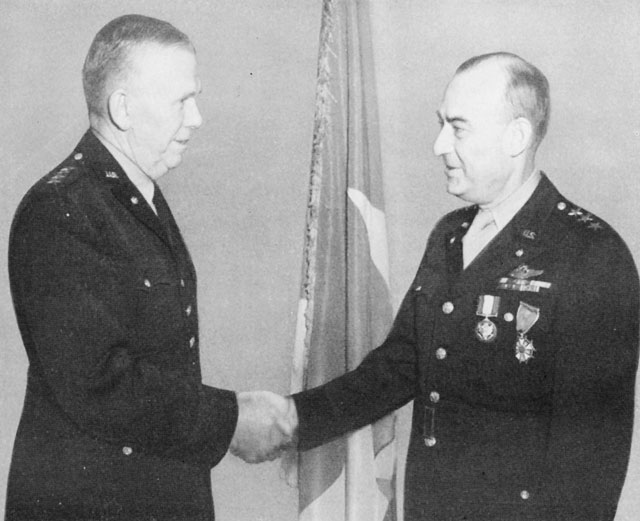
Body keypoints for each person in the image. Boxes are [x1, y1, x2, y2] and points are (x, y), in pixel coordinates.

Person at [281, 53, 639, 520]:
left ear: (516, 137)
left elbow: (591, 460)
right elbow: (398, 368)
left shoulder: (590, 254)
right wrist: (290, 419)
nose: (438, 144)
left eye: (458, 127)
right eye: (440, 124)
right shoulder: (450, 234)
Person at [6, 14, 291, 521]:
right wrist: (230, 420)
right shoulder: (60, 208)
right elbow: (98, 381)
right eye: (182, 100)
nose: (197, 117)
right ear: (123, 108)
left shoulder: (135, 196)